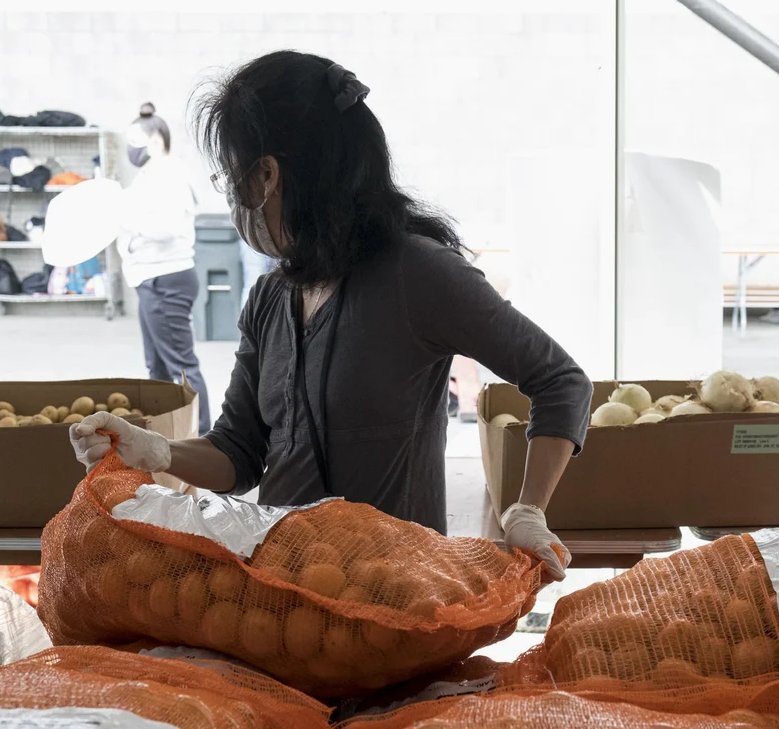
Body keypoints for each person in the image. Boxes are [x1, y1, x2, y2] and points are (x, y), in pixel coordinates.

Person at [72, 51, 590, 579]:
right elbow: (238, 454)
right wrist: (157, 451)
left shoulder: (418, 274)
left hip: (397, 593)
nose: (231, 199)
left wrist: (528, 509)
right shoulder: (272, 296)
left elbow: (559, 379)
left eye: (231, 178)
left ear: (267, 177)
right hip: (283, 594)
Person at [121, 102, 210, 434]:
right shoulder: (151, 175)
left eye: (135, 140)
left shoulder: (170, 173)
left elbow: (168, 227)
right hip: (149, 278)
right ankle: (162, 435)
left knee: (182, 366)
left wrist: (127, 220)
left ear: (155, 139)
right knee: (156, 367)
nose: (130, 148)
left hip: (167, 278)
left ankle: (204, 437)